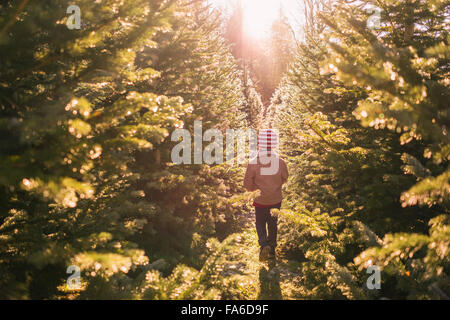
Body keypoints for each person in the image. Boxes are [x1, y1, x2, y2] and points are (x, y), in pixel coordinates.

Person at [244, 129, 289, 261]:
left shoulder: (253, 162)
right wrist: (276, 186)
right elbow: (285, 178)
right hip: (275, 200)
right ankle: (272, 249)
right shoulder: (280, 162)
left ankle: (264, 245)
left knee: (260, 223)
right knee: (273, 223)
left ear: (260, 144)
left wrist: (254, 191)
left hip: (260, 200)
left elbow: (247, 182)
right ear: (274, 144)